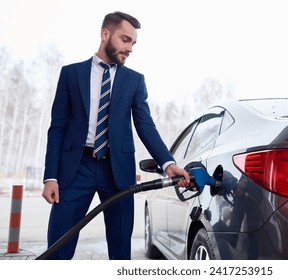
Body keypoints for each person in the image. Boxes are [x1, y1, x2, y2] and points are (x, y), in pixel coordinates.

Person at [41, 11, 190, 260]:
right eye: (125, 39)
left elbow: (145, 125)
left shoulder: (134, 80)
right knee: (57, 248)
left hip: (117, 172)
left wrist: (168, 163)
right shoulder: (70, 74)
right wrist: (50, 177)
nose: (130, 48)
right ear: (105, 34)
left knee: (120, 252)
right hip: (74, 170)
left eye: (133, 43)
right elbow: (57, 128)